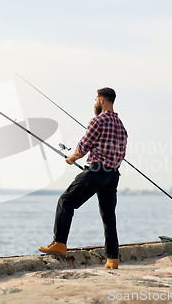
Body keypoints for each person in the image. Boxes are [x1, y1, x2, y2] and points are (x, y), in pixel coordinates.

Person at [39, 87, 128, 269]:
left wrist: (72, 158)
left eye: (95, 99)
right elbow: (122, 152)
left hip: (97, 171)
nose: (94, 102)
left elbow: (84, 145)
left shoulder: (98, 121)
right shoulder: (121, 126)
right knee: (109, 216)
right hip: (113, 175)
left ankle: (60, 244)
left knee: (66, 200)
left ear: (102, 100)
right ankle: (112, 259)